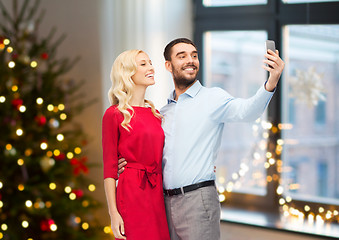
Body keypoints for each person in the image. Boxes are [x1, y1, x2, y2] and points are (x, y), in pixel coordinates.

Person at [118, 38, 285, 240]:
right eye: (182, 56)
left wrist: (272, 81)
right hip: (163, 203)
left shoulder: (213, 98)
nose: (190, 60)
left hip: (197, 200)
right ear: (168, 66)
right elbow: (150, 153)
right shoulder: (163, 112)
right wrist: (127, 165)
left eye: (194, 55)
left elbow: (247, 111)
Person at [102, 49, 170, 240]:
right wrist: (113, 214)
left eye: (150, 63)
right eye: (143, 64)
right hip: (131, 191)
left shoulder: (155, 114)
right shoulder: (114, 114)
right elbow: (109, 169)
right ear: (128, 72)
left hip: (156, 192)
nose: (151, 68)